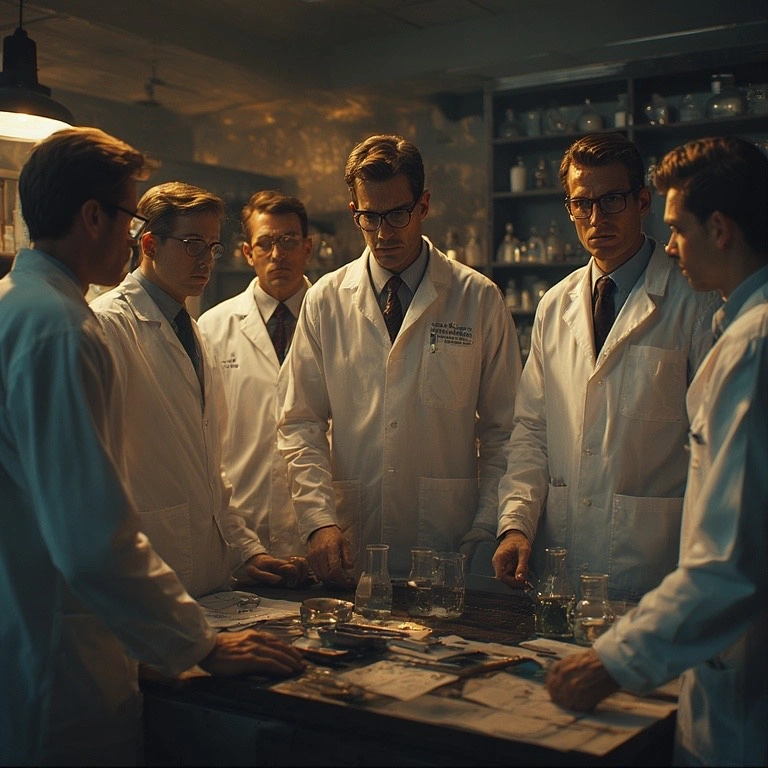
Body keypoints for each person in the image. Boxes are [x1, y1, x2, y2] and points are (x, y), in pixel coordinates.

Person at [0, 127, 303, 767]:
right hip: (65, 662)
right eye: (129, 213)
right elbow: (91, 537)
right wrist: (203, 646)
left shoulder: (21, 307)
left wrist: (240, 552)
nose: (133, 231)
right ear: (92, 218)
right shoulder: (64, 329)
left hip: (51, 632)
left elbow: (198, 465)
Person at [546, 136, 768, 767]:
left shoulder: (753, 345)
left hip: (738, 686)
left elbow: (730, 562)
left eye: (677, 229)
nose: (670, 246)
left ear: (719, 229)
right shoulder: (742, 327)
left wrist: (612, 664)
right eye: (580, 202)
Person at [278, 133, 522, 586]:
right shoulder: (325, 300)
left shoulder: (477, 298)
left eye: (397, 214)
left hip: (450, 540)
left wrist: (488, 525)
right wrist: (318, 520)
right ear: (354, 213)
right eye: (369, 217)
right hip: (354, 538)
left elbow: (504, 431)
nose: (384, 233)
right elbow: (300, 422)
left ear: (423, 205)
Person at [492, 132, 721, 603]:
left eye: (612, 200)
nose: (597, 218)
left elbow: (713, 445)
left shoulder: (694, 299)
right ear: (569, 208)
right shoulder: (555, 305)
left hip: (652, 561)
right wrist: (515, 524)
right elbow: (532, 430)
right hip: (561, 557)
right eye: (582, 203)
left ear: (643, 201)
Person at [90, 181, 308, 596]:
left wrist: (246, 552)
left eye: (212, 246)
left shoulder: (192, 330)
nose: (206, 259)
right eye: (193, 244)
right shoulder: (108, 326)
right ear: (150, 244)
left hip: (207, 577)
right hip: (151, 573)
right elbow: (94, 481)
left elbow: (211, 473)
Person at [198, 190, 312, 559]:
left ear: (307, 248)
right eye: (265, 243)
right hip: (240, 528)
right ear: (248, 253)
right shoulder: (213, 327)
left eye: (288, 241)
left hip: (319, 527)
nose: (277, 254)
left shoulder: (338, 318)